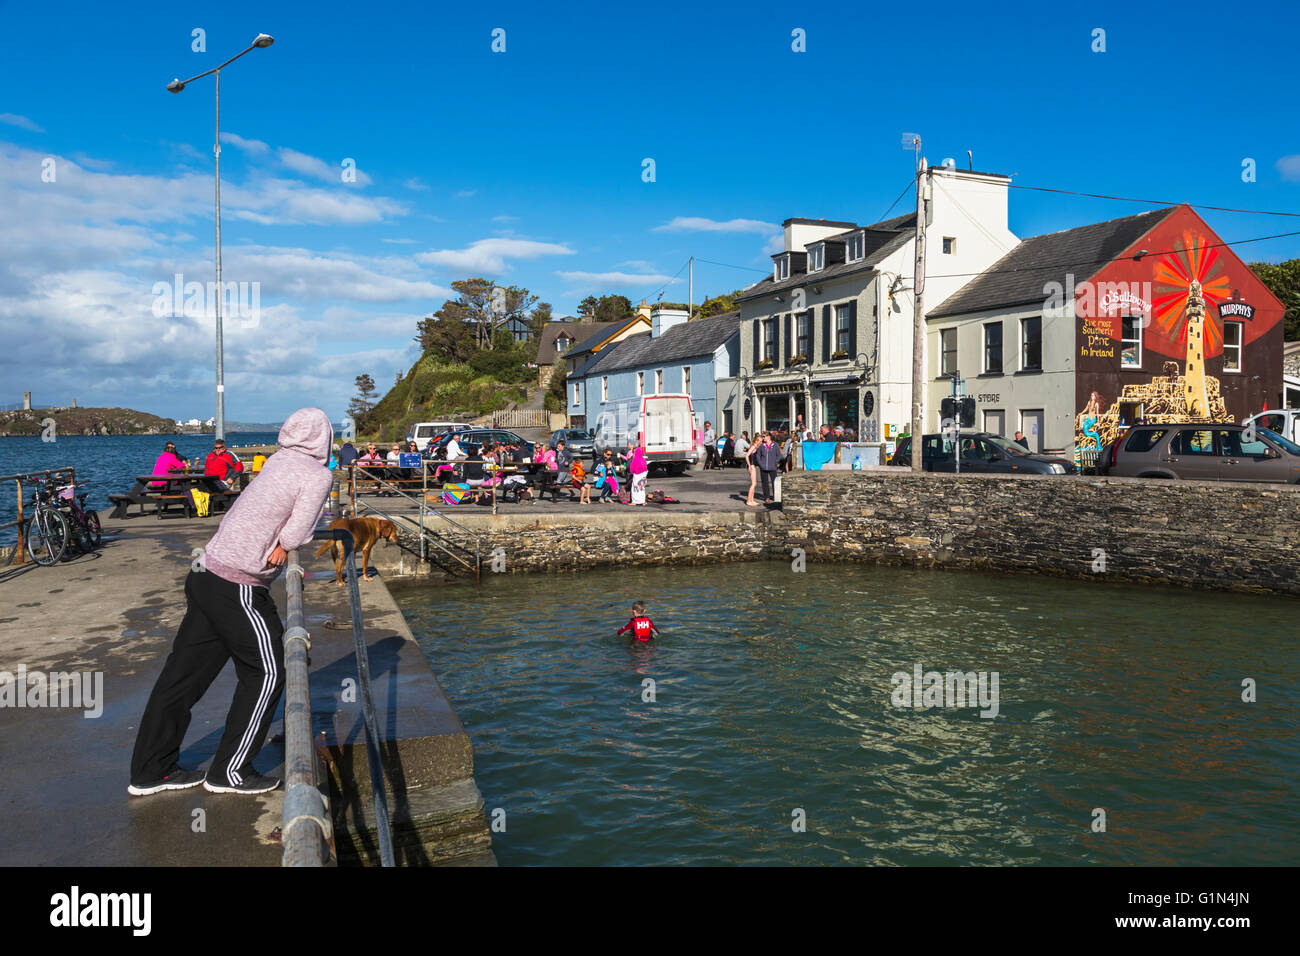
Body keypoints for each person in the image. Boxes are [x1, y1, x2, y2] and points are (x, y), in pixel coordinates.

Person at [128, 408, 334, 796]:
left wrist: (281, 540)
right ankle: (230, 772)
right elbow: (301, 529)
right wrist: (286, 545)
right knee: (269, 672)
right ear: (323, 438)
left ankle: (150, 771)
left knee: (182, 679)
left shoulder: (277, 460)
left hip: (204, 571)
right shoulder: (317, 475)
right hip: (237, 583)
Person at [755, 431, 781, 503]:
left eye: (764, 436)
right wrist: (760, 464)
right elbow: (758, 455)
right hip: (763, 467)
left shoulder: (775, 445)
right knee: (765, 483)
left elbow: (779, 455)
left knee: (774, 482)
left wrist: (775, 462)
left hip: (772, 467)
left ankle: (776, 496)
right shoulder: (761, 445)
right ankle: (767, 497)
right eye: (763, 437)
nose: (763, 438)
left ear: (768, 437)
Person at [744, 432, 761, 507]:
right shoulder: (754, 446)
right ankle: (748, 500)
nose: (761, 442)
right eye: (760, 441)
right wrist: (749, 465)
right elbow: (747, 455)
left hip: (753, 466)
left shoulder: (756, 447)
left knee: (754, 483)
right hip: (752, 466)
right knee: (753, 484)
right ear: (756, 441)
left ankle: (752, 500)